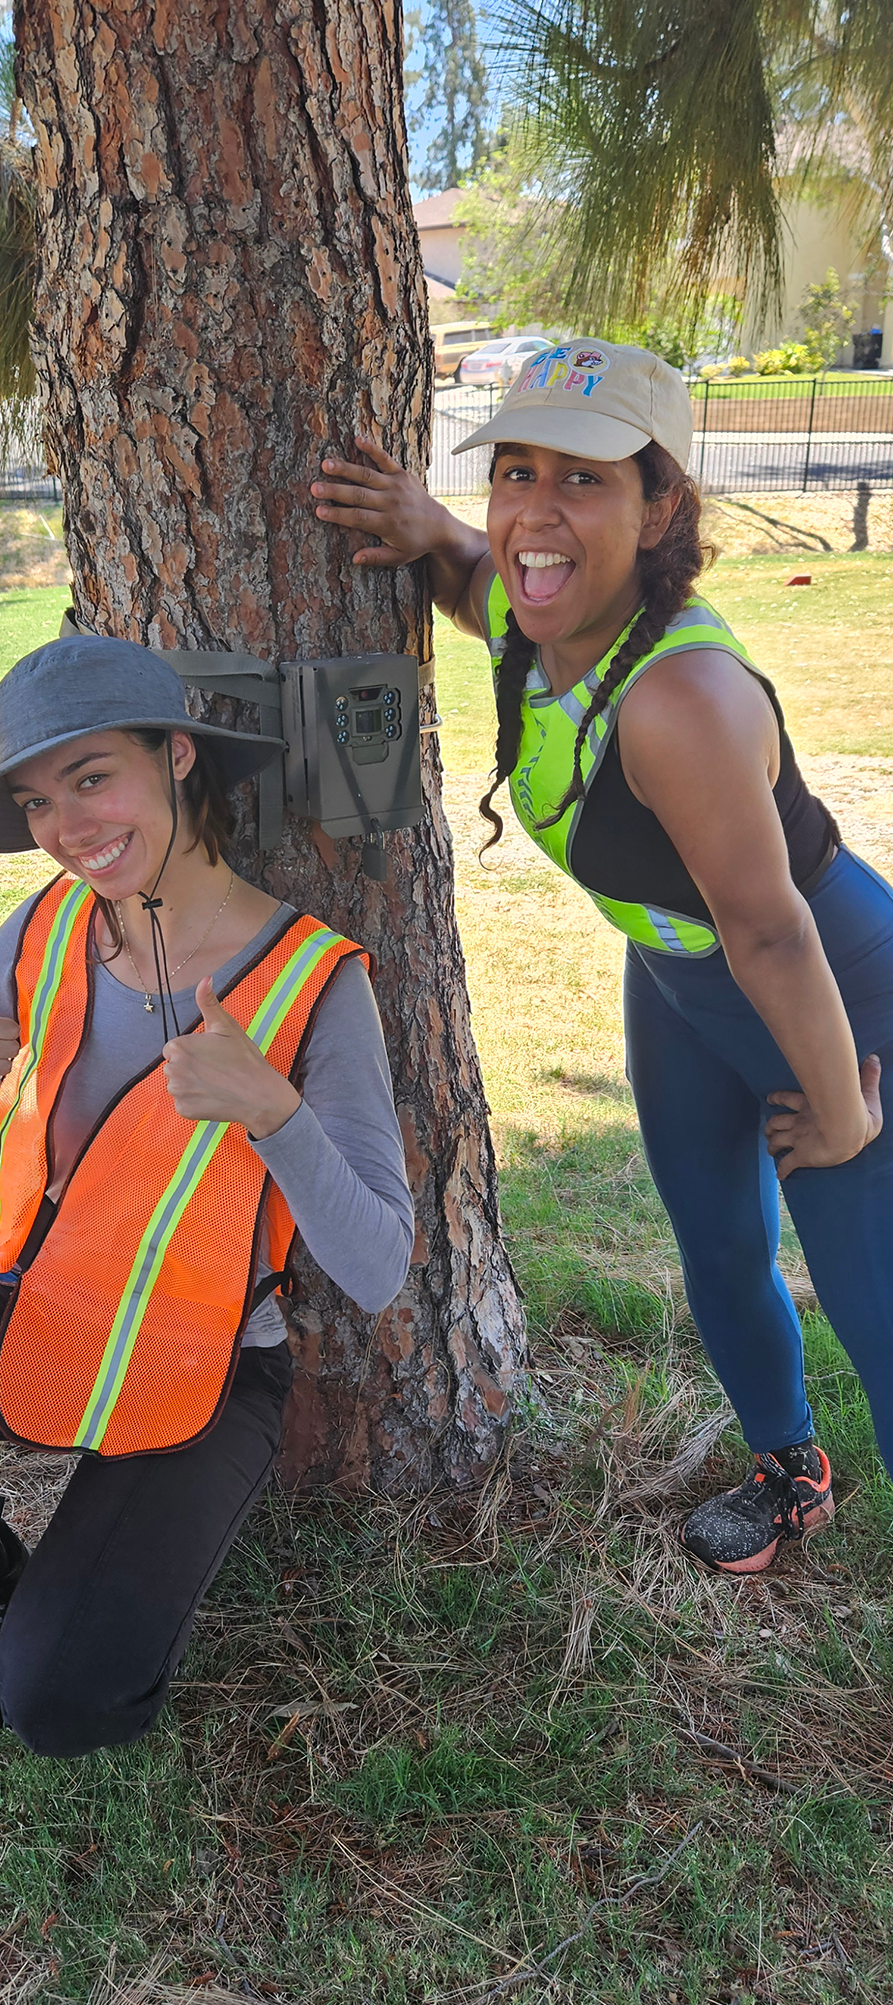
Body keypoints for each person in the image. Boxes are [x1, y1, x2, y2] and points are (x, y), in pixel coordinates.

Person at [310, 338, 893, 1575]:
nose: (534, 511)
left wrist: (841, 1113)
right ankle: (788, 1472)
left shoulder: (682, 698)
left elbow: (773, 927)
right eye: (513, 471)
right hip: (683, 984)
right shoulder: (545, 617)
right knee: (719, 1247)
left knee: (873, 1298)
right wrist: (423, 524)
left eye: (581, 481)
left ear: (660, 501)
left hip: (829, 993)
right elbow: (482, 578)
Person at [0, 634, 413, 1755]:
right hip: (36, 1304)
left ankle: (51, 1627)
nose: (68, 828)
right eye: (37, 800)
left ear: (176, 755)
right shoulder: (46, 924)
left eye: (92, 778)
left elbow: (377, 1265)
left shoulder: (316, 981)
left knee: (61, 1706)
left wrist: (271, 1111)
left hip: (199, 1358)